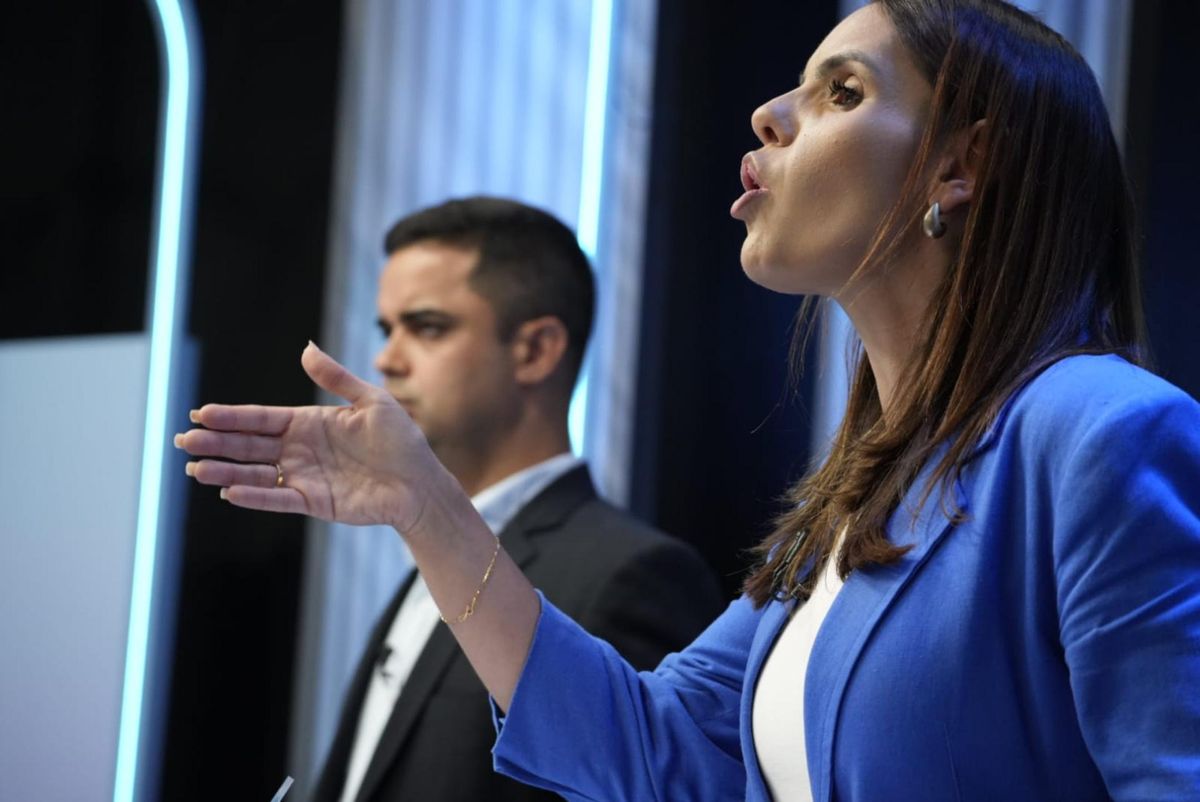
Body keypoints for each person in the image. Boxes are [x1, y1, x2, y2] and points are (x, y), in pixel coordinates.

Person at [177, 1, 1200, 799]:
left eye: (841, 92)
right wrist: (426, 504)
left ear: (961, 164)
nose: (770, 113)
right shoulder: (846, 513)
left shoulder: (1101, 432)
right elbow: (646, 751)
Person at [300, 198, 725, 802]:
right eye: (386, 329)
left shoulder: (631, 575)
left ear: (535, 350)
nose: (386, 359)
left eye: (427, 327)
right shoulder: (430, 548)